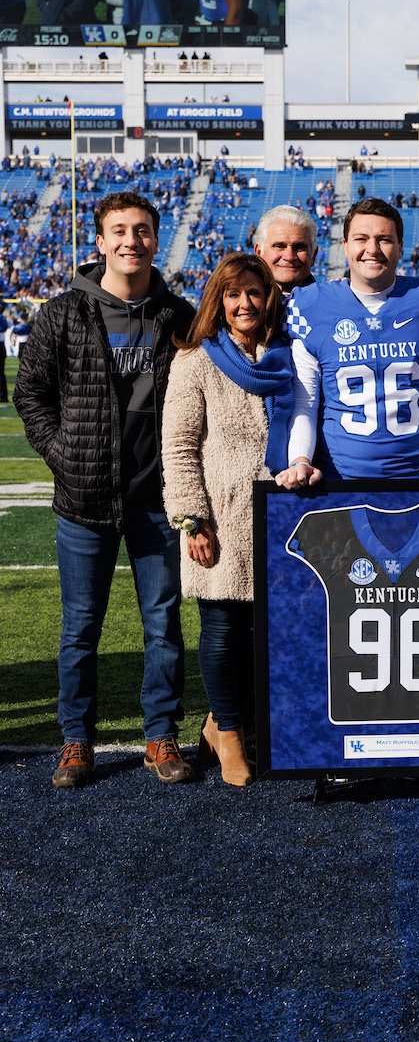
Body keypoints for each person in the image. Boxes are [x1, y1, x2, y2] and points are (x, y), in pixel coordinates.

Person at [14, 193, 196, 789]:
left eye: (142, 231)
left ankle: (160, 733)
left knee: (164, 625)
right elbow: (31, 393)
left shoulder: (178, 315)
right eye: (118, 231)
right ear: (99, 242)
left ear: (156, 237)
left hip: (156, 498)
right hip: (84, 500)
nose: (131, 241)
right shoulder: (64, 312)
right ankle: (75, 741)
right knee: (80, 629)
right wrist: (61, 454)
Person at [162, 253, 293, 786]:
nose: (244, 303)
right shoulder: (195, 360)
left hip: (278, 512)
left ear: (268, 299)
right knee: (220, 629)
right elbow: (178, 444)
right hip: (220, 513)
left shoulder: (286, 355)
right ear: (218, 299)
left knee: (265, 631)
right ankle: (231, 736)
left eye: (254, 293)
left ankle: (226, 724)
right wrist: (192, 517)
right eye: (233, 294)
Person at [276, 197, 419, 488]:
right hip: (337, 483)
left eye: (384, 239)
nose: (372, 249)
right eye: (361, 238)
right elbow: (304, 402)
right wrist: (300, 460)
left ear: (400, 247)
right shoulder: (311, 306)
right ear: (345, 245)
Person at [253, 205, 317, 291]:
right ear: (259, 253)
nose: (289, 257)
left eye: (299, 247)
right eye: (279, 246)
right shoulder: (240, 303)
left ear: (313, 255)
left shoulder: (332, 302)